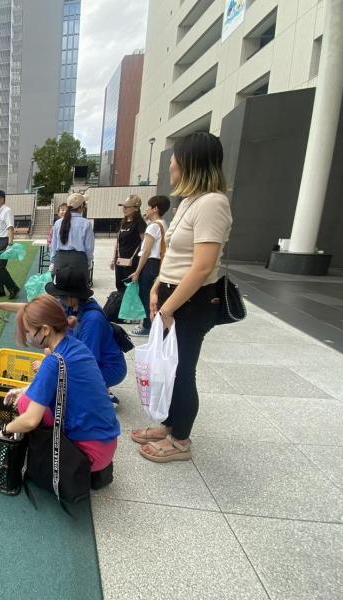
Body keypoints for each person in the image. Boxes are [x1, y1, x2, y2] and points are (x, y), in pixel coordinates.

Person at [132, 132, 232, 464]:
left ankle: (180, 440)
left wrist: (170, 307)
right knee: (168, 367)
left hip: (192, 301)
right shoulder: (189, 201)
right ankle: (169, 424)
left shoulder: (213, 204)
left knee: (182, 370)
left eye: (175, 158)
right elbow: (174, 256)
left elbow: (202, 267)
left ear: (190, 163)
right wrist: (158, 288)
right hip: (173, 296)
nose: (171, 163)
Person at [0, 295, 119, 489]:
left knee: (25, 405)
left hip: (87, 455)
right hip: (106, 446)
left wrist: (7, 429)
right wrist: (24, 388)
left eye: (29, 332)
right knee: (28, 398)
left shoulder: (54, 362)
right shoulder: (73, 345)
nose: (28, 337)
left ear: (45, 330)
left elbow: (31, 420)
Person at [0, 264, 127, 393]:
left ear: (72, 295)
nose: (57, 297)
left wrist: (51, 366)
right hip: (92, 357)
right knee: (49, 351)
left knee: (61, 376)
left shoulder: (92, 321)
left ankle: (101, 391)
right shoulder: (71, 304)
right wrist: (1, 305)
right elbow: (32, 310)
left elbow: (86, 363)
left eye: (60, 294)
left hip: (109, 368)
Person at [130, 195, 171, 336]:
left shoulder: (153, 227)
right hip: (158, 264)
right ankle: (153, 324)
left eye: (149, 207)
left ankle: (147, 326)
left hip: (150, 264)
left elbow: (146, 251)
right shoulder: (163, 224)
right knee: (154, 295)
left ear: (155, 209)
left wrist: (137, 271)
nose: (146, 209)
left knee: (146, 295)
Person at [50, 192, 94, 282]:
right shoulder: (86, 223)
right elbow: (89, 247)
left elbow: (53, 245)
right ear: (81, 206)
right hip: (79, 261)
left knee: (60, 291)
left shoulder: (58, 223)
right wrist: (89, 262)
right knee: (78, 292)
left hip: (60, 259)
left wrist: (53, 261)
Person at [0, 190, 19, 299]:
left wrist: (10, 244)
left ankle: (13, 288)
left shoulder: (7, 210)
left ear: (1, 199)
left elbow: (10, 227)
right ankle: (0, 290)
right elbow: (1, 226)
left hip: (4, 241)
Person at [111, 195, 145, 293]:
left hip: (132, 263)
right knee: (119, 286)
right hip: (120, 261)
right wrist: (114, 259)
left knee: (130, 288)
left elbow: (144, 243)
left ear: (136, 208)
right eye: (123, 207)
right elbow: (118, 241)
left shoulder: (140, 223)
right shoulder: (123, 222)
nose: (124, 209)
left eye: (127, 207)